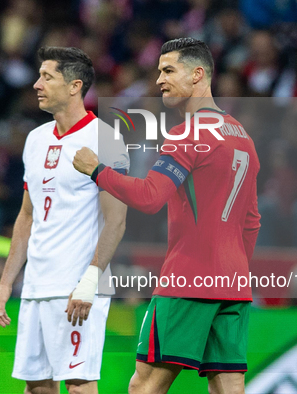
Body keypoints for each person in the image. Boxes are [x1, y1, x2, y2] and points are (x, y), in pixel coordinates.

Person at [73, 38, 261, 394]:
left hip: (188, 279)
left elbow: (149, 197)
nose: (159, 80)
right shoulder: (243, 136)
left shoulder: (187, 134)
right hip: (234, 283)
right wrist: (230, 271)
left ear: (198, 75)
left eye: (169, 70)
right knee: (229, 385)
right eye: (159, 71)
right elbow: (251, 220)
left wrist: (96, 169)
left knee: (144, 385)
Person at [0, 47, 129, 394]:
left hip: (76, 285)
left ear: (74, 86)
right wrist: (7, 283)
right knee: (36, 386)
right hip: (36, 284)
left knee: (79, 385)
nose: (36, 84)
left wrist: (89, 281)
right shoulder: (35, 140)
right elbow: (27, 215)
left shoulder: (106, 139)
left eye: (46, 76)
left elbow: (117, 221)